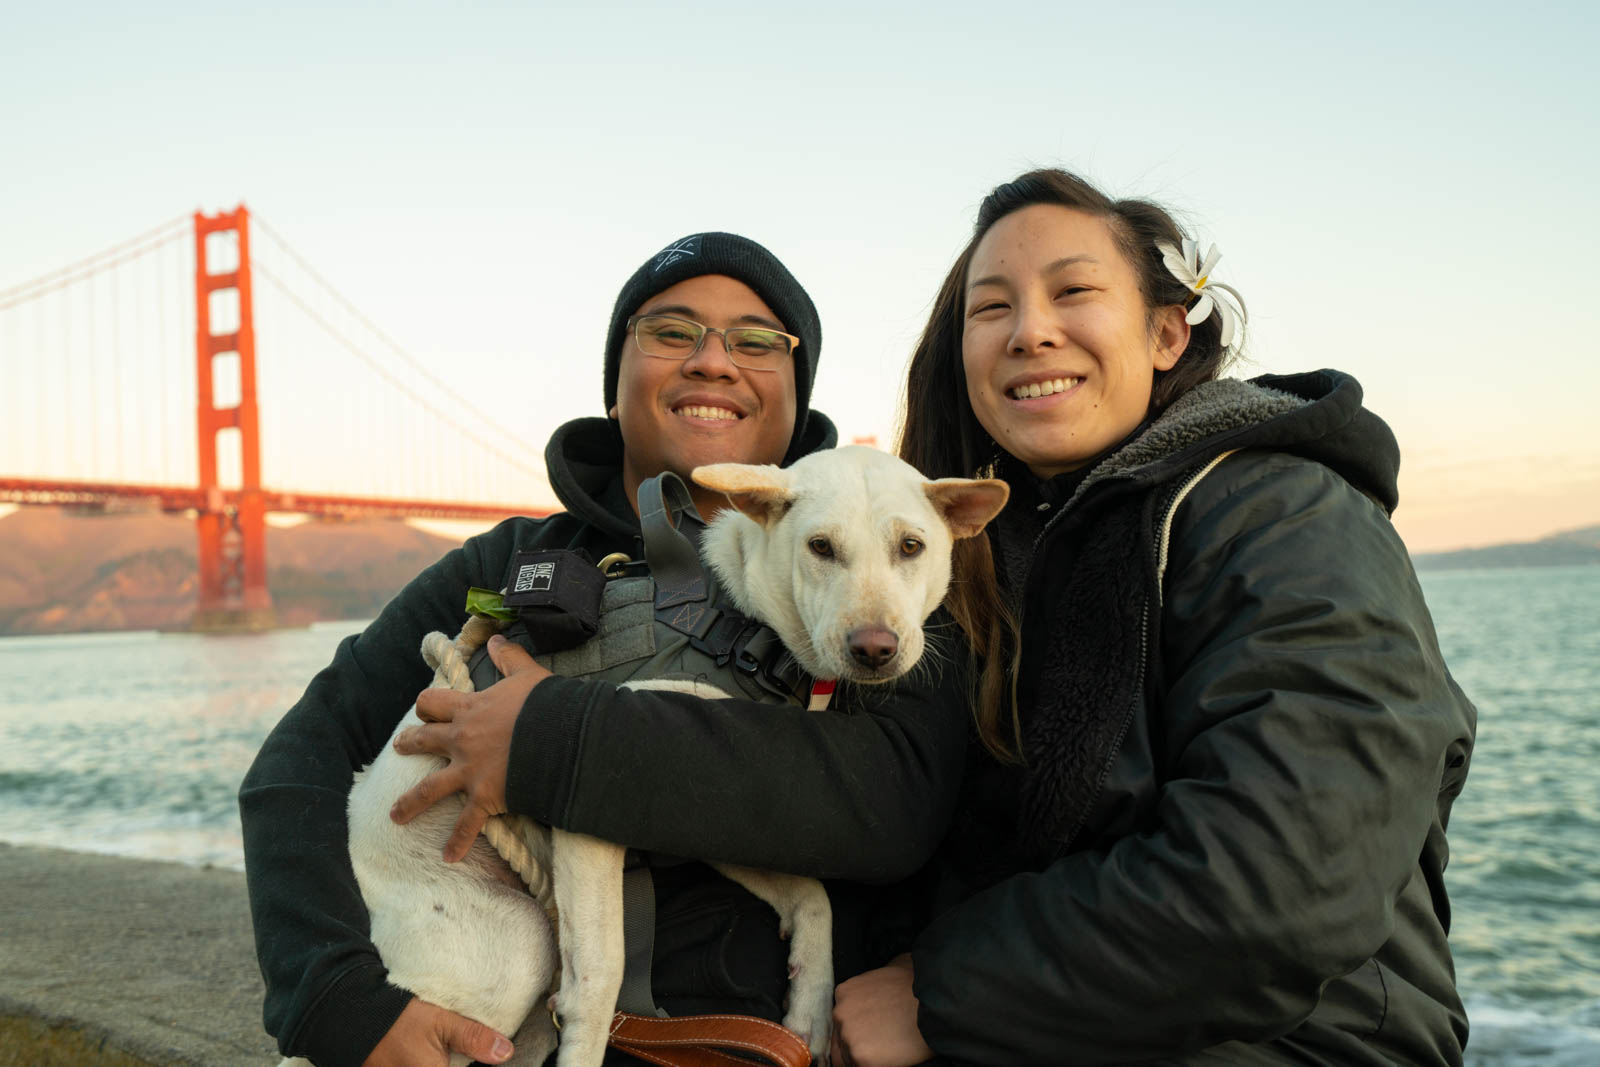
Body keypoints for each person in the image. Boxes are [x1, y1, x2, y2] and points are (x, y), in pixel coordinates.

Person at [239, 232, 970, 1067]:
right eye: (669, 331)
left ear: (795, 402)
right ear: (615, 385)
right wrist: (338, 1000)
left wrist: (552, 740)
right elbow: (299, 759)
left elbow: (892, 801)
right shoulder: (506, 563)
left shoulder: (892, 585)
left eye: (757, 341)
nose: (713, 361)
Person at [830, 169, 1477, 1066]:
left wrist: (942, 991)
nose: (1030, 331)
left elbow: (1280, 885)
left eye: (1074, 290)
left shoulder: (1287, 517)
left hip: (1293, 1042)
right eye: (991, 308)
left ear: (1169, 332)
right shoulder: (967, 555)